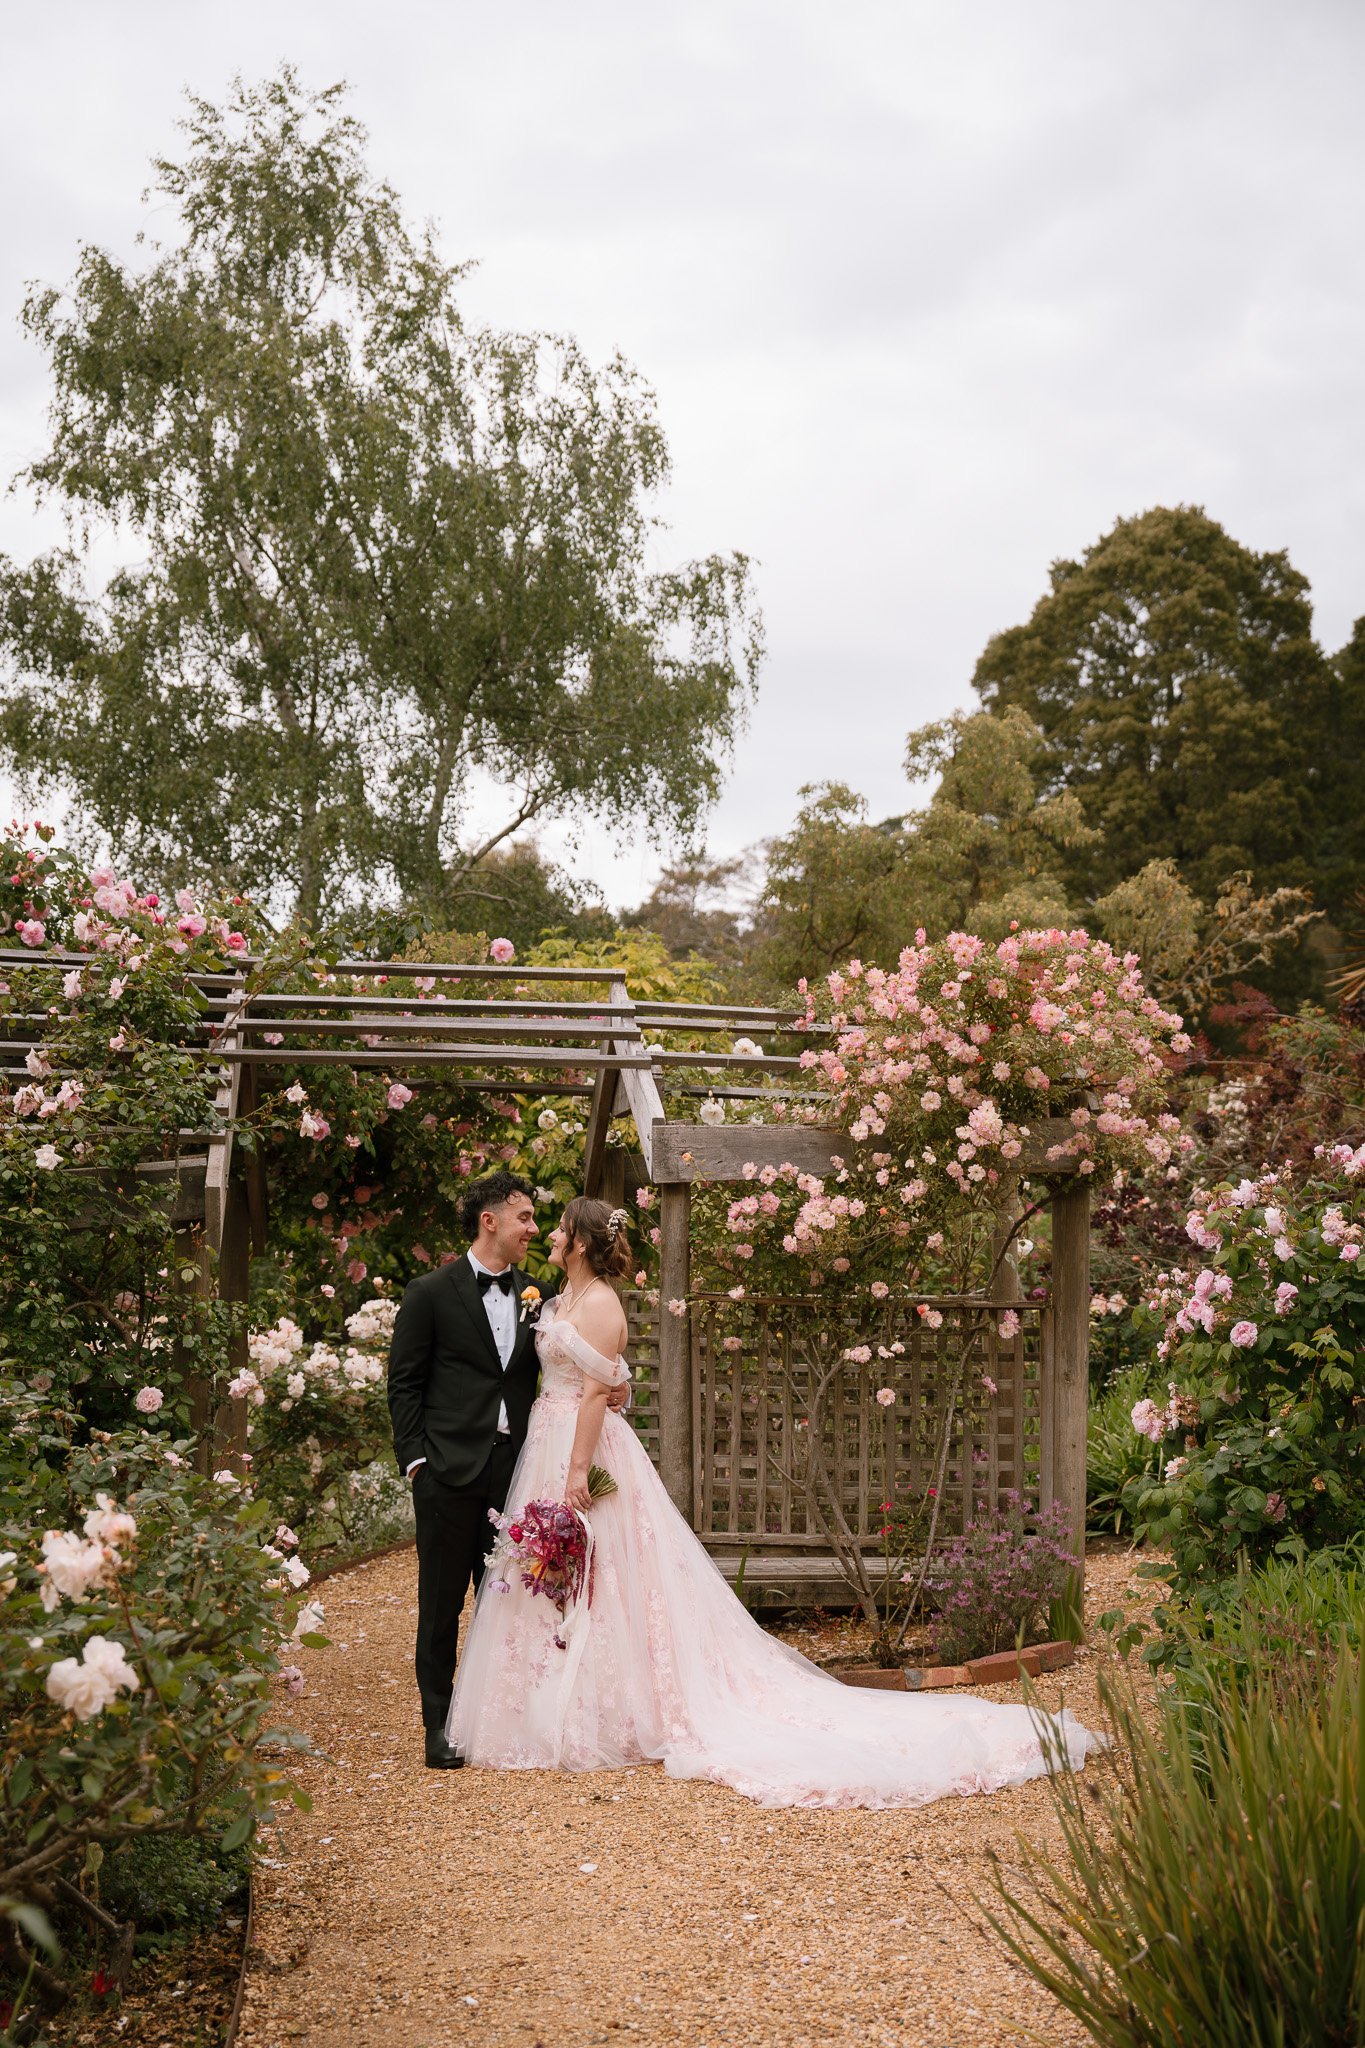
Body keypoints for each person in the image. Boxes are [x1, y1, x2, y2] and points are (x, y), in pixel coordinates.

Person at [448, 1195, 1107, 1809]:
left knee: (606, 1579)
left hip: (578, 1451)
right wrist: (616, 1388)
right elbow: (604, 1377)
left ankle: (606, 1709)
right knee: (560, 1580)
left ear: (584, 1242)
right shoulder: (563, 1297)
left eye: (559, 1227)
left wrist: (574, 1476)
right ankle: (546, 1704)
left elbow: (595, 1391)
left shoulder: (601, 1304)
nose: (550, 1235)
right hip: (549, 1435)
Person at [386, 1170, 629, 1767]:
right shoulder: (429, 1293)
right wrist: (417, 1462)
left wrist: (620, 1389)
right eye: (523, 1216)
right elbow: (404, 1384)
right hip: (446, 1471)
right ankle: (439, 1729)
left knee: (513, 1603)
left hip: (519, 1470)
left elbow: (587, 1364)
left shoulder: (541, 1297)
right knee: (440, 1605)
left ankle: (508, 1718)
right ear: (488, 1220)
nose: (534, 1227)